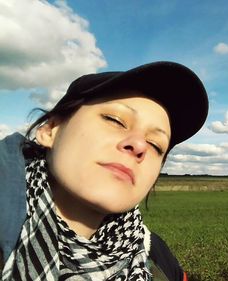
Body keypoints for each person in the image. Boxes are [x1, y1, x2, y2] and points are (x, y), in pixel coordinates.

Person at [0, 61, 209, 280]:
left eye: (156, 145)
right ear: (50, 130)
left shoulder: (158, 260)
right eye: (115, 120)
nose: (139, 145)